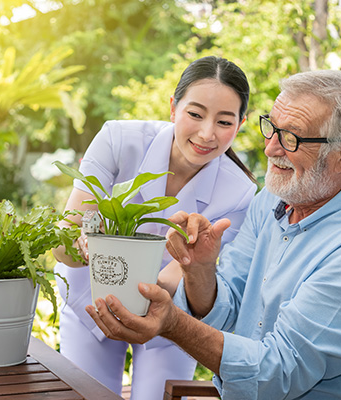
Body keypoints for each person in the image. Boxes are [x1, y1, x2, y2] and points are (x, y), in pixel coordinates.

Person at [85, 69, 341, 400]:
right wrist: (199, 270)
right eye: (272, 129)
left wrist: (172, 323)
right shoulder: (271, 202)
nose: (271, 149)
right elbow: (226, 313)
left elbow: (276, 373)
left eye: (292, 138)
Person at [52, 55, 257, 399]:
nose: (207, 134)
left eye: (224, 121)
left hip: (167, 315)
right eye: (195, 114)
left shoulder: (240, 193)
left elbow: (179, 277)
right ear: (173, 108)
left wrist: (148, 298)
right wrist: (84, 244)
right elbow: (63, 245)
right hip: (89, 300)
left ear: (240, 124)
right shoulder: (119, 140)